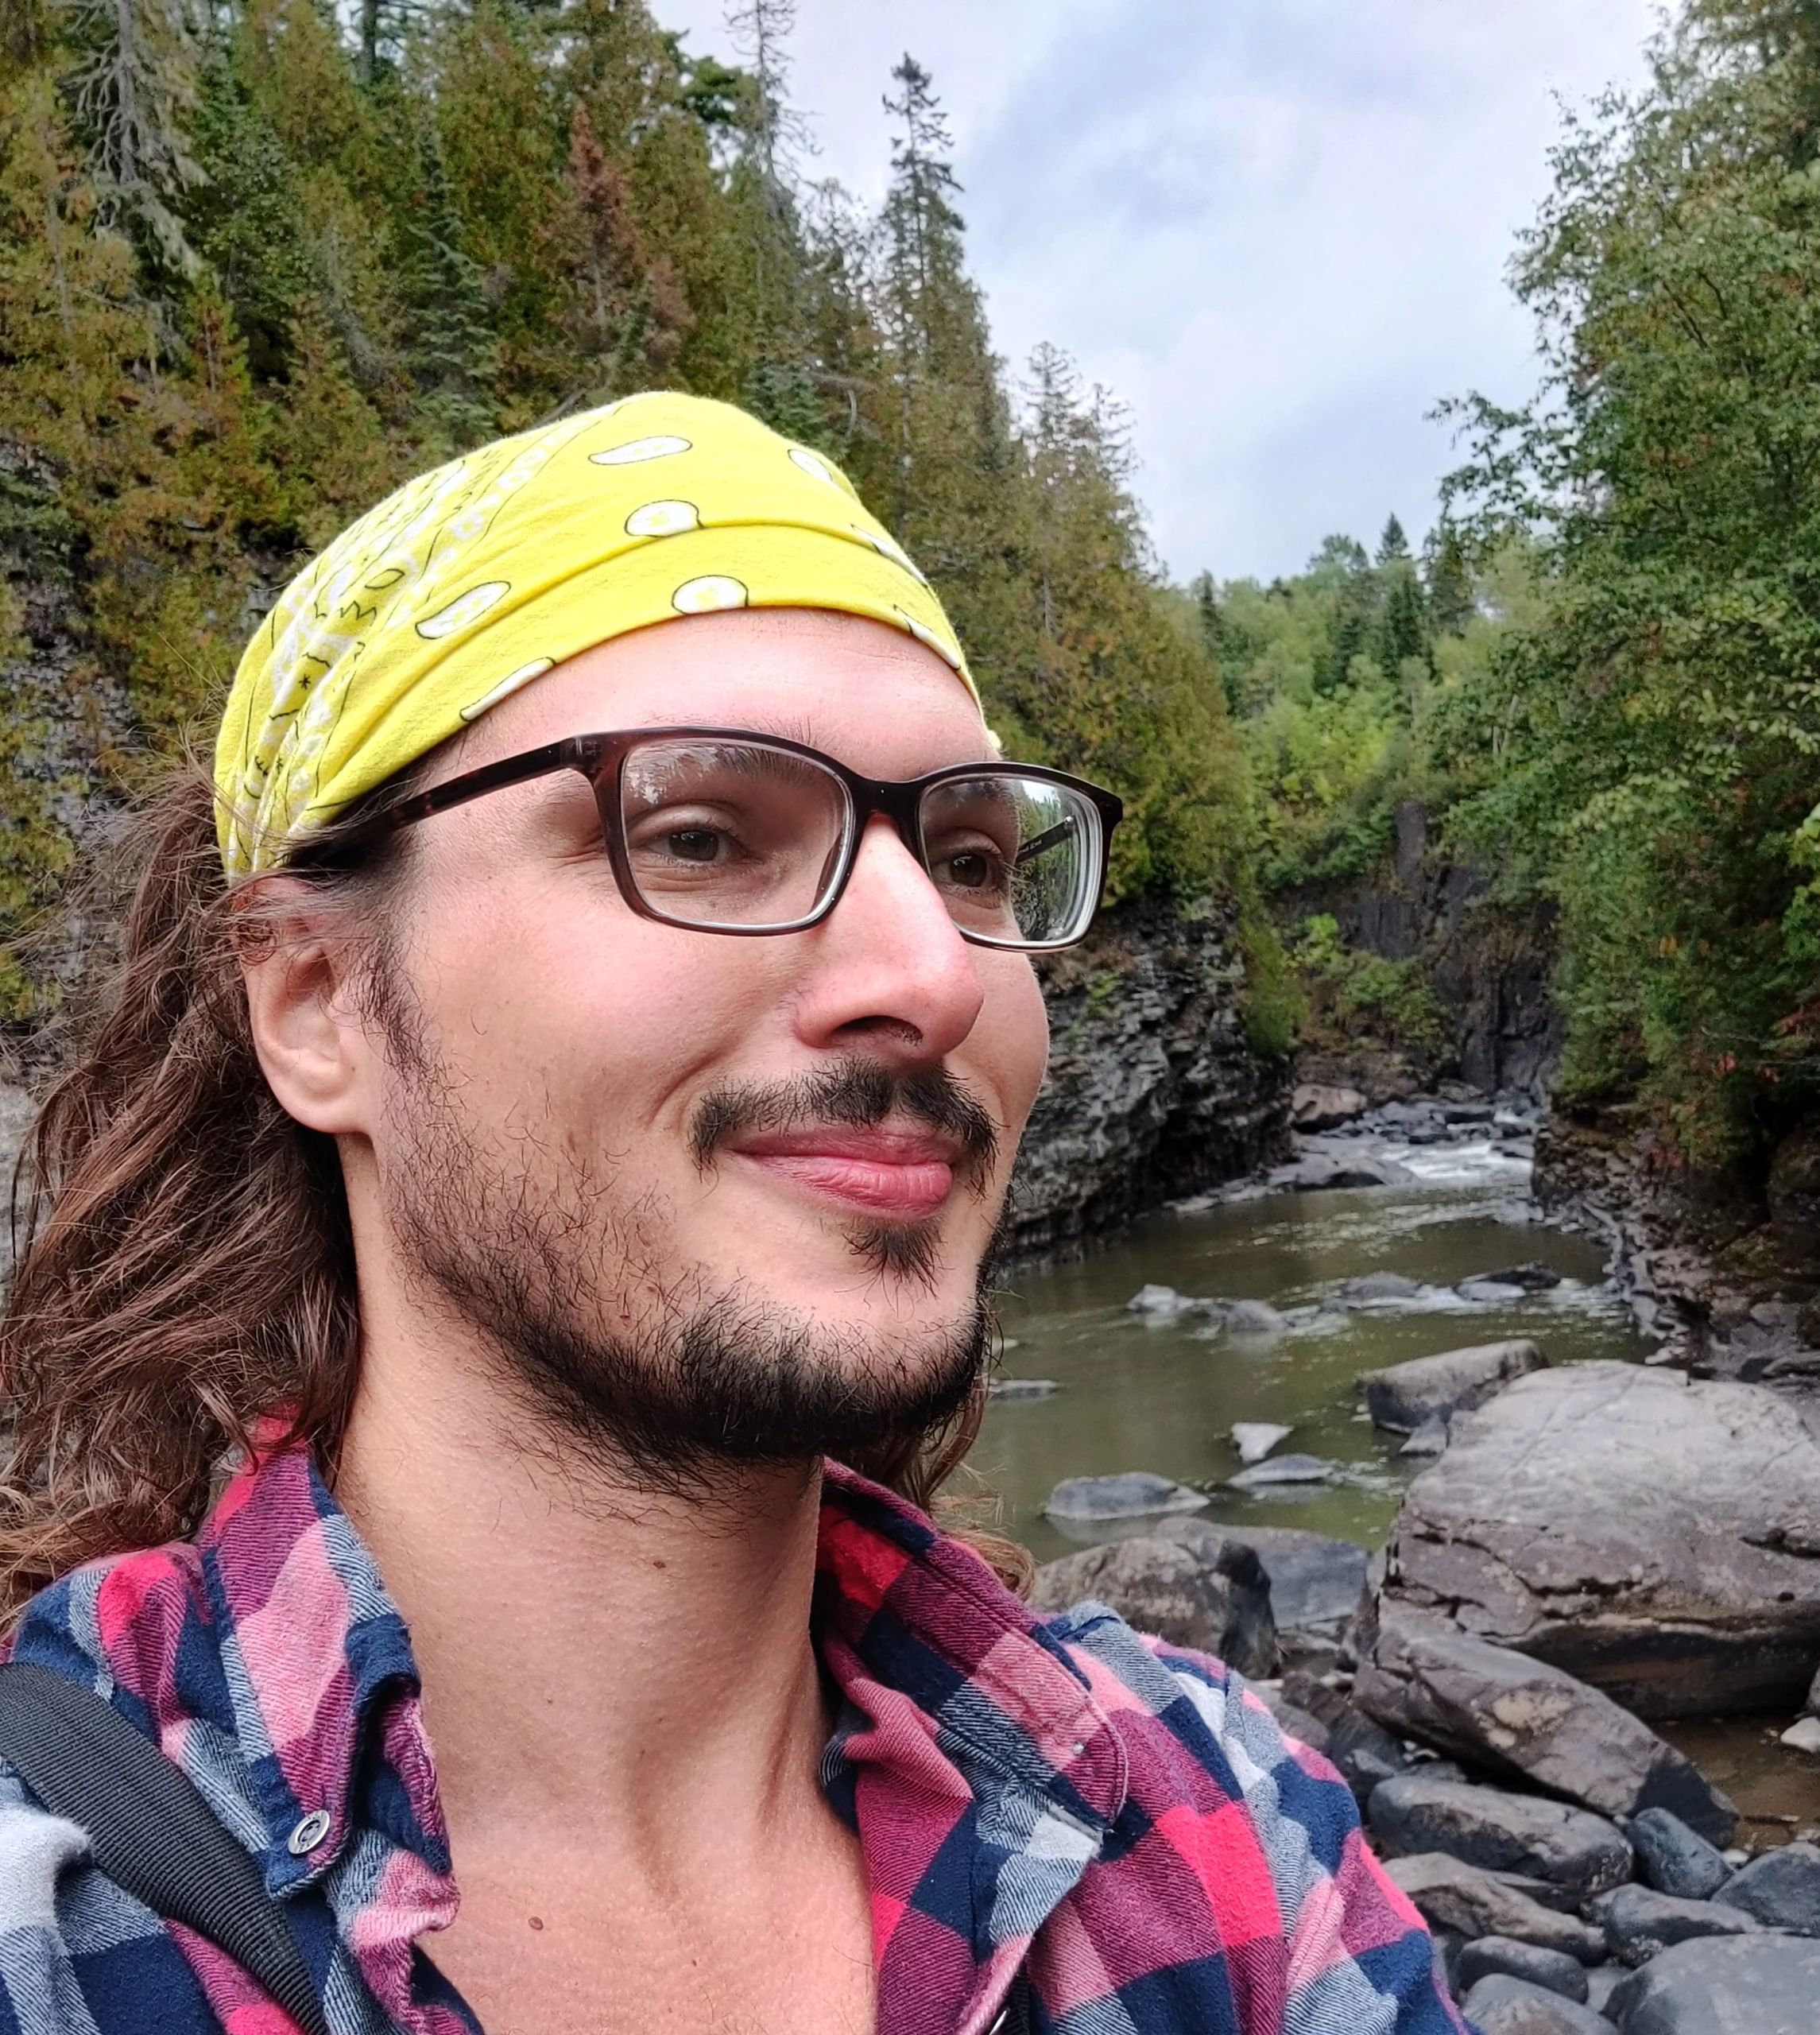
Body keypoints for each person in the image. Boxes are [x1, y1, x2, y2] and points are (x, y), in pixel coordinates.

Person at [0, 393, 1469, 2035]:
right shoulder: (54, 1918)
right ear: (318, 1005)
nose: (934, 974)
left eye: (971, 861)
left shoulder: (1219, 1830)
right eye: (697, 835)